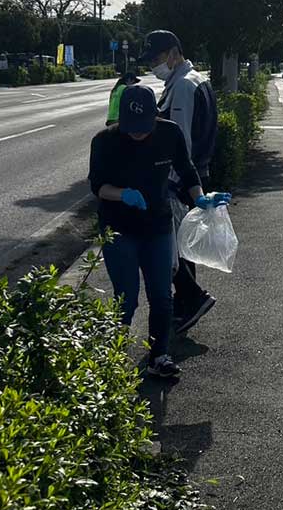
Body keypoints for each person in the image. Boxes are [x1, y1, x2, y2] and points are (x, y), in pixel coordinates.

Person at [88, 84, 230, 378]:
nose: (138, 133)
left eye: (144, 127)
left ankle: (159, 356)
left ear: (156, 115)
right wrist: (123, 194)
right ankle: (113, 358)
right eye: (131, 127)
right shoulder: (105, 141)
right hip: (119, 228)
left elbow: (188, 170)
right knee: (126, 298)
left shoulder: (170, 134)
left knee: (162, 296)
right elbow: (98, 186)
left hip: (158, 226)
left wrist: (200, 198)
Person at [138, 30, 220, 334]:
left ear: (174, 53)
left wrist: (168, 182)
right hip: (196, 174)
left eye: (157, 58)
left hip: (179, 181)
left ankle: (191, 300)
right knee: (182, 245)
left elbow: (179, 141)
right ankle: (187, 305)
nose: (153, 66)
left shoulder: (184, 87)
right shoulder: (194, 79)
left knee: (167, 245)